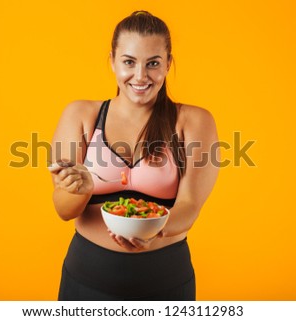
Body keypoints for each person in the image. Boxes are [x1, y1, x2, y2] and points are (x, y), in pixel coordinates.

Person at [48, 10, 219, 300]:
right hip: (86, 280)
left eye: (153, 63)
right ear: (113, 61)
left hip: (166, 280)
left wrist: (155, 229)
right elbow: (64, 210)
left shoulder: (194, 121)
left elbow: (190, 206)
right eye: (129, 62)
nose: (140, 76)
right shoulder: (80, 115)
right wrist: (81, 188)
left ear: (168, 64)